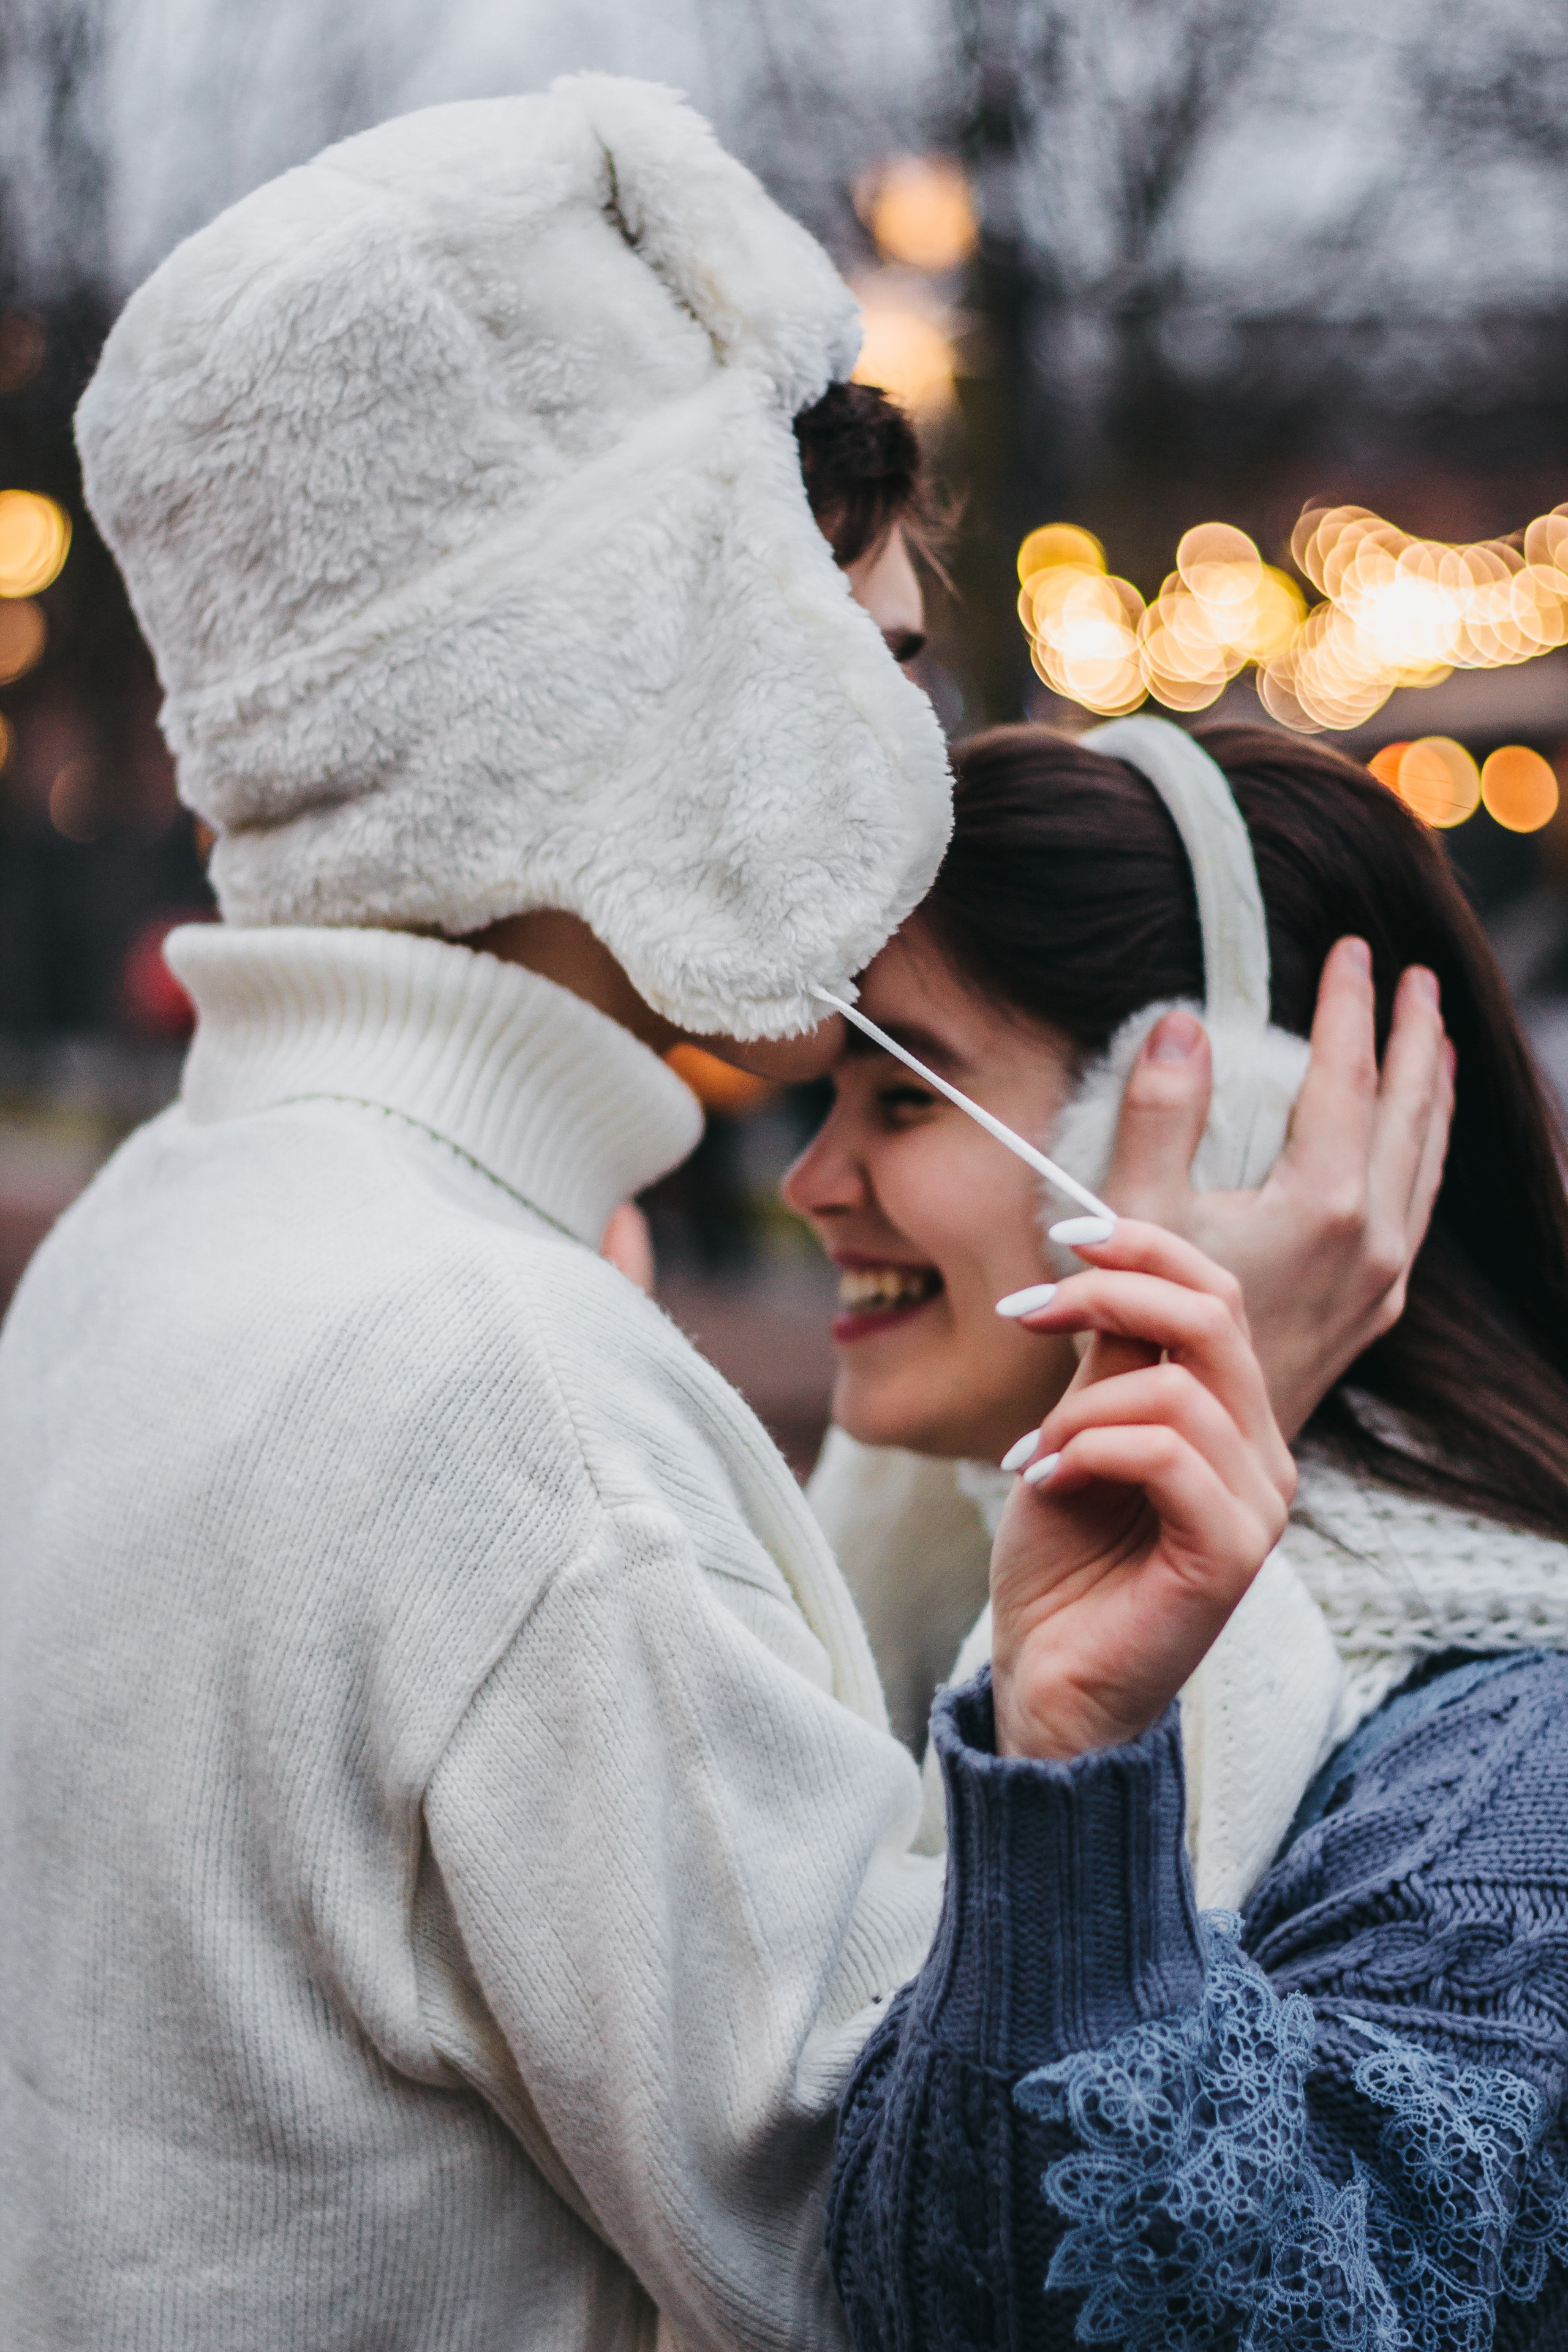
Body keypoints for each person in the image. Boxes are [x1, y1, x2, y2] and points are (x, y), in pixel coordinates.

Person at [0, 80, 1442, 2352]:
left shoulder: (153, 1242)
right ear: (648, 684)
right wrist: (1204, 1479)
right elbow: (919, 2224)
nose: (909, 766)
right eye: (865, 670)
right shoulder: (501, 1398)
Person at [789, 714, 1568, 2348]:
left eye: (900, 1099)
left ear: (1225, 1143)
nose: (811, 1180)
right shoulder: (901, 1610)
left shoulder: (1512, 1774)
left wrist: (1082, 1773)